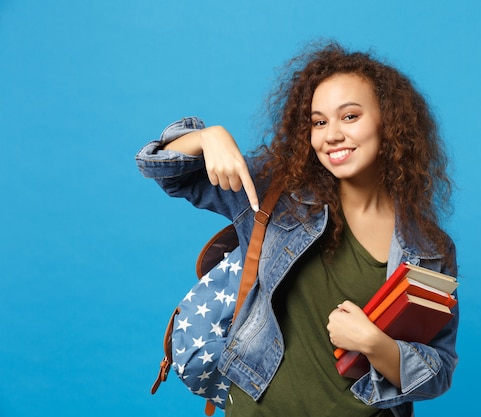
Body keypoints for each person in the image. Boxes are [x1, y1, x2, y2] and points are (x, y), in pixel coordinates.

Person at [136, 41, 459, 417]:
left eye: (350, 116)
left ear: (390, 123)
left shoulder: (430, 248)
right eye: (319, 122)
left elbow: (438, 372)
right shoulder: (279, 193)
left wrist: (374, 344)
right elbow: (163, 168)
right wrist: (205, 137)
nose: (331, 135)